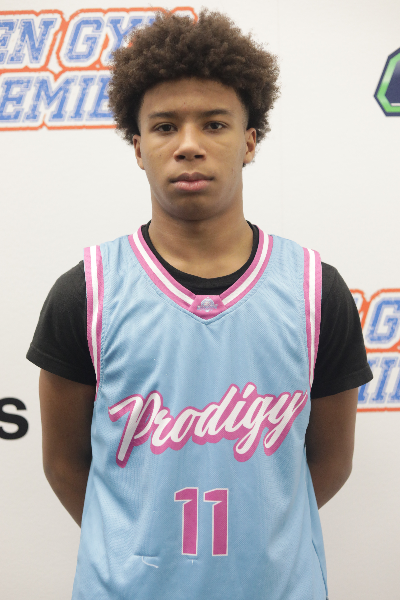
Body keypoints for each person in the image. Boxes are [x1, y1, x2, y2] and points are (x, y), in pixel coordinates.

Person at [27, 9, 373, 600]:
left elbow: (331, 461)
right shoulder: (86, 292)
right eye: (165, 127)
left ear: (249, 141)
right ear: (139, 147)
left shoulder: (316, 290)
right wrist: (135, 543)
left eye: (214, 124)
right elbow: (64, 463)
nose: (189, 146)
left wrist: (258, 540)